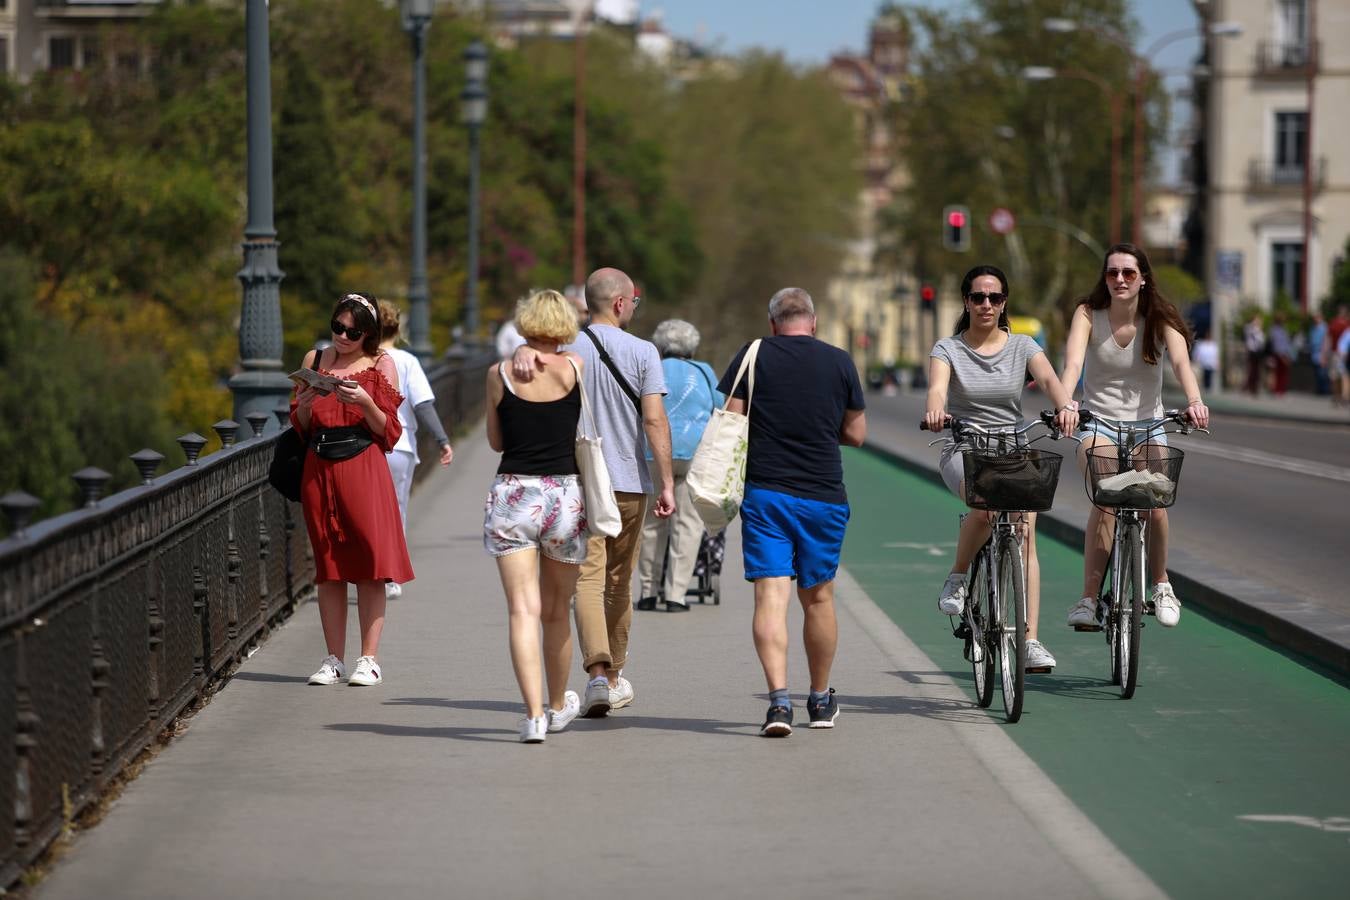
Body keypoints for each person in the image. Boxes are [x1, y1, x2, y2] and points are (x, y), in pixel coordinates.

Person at [511, 268, 675, 719]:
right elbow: (655, 421)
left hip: (576, 480)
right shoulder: (644, 352)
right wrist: (666, 480)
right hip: (627, 482)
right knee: (619, 581)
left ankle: (597, 676)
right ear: (621, 304)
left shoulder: (565, 351)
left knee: (587, 576)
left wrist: (526, 349)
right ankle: (614, 675)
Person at [719, 288, 866, 737]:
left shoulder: (753, 354)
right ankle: (819, 701)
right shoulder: (840, 361)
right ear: (814, 322)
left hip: (766, 494)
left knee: (770, 597)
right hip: (823, 494)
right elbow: (856, 433)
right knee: (819, 597)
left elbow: (731, 417)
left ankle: (779, 705)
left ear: (772, 323)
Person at [924, 266, 1079, 673]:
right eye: (978, 297)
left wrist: (1065, 407)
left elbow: (1048, 378)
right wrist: (937, 410)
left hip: (1013, 447)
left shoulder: (1023, 345)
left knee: (1026, 533)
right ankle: (958, 577)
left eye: (994, 298)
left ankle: (1029, 641)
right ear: (966, 302)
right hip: (963, 447)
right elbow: (938, 387)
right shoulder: (948, 349)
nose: (986, 305)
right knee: (987, 506)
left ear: (1004, 302)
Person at [1057, 243, 1210, 631]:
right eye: (1112, 273)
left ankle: (1161, 584)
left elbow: (1180, 362)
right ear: (1104, 279)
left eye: (1128, 273)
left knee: (1155, 502)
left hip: (1148, 425)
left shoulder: (1159, 317)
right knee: (1107, 497)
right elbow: (1073, 362)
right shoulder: (1089, 314)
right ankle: (1089, 598)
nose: (1120, 280)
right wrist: (1065, 402)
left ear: (1143, 278)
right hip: (1099, 424)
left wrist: (1195, 400)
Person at [293, 292, 414, 687]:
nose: (343, 336)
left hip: (363, 464)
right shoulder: (315, 360)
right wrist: (308, 403)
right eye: (338, 327)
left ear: (369, 333)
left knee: (369, 564)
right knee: (328, 567)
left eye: (354, 331)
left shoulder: (382, 364)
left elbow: (389, 431)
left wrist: (364, 401)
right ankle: (332, 659)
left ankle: (369, 658)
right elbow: (303, 425)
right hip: (319, 466)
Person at [484, 290, 589, 743]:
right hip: (563, 497)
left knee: (521, 610)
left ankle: (532, 717)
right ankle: (559, 701)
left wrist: (520, 355)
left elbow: (495, 441)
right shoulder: (576, 369)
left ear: (525, 324)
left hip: (513, 495)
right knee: (556, 612)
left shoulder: (499, 374)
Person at [636, 319, 724, 613]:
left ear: (660, 345)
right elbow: (720, 408)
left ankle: (648, 591)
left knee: (651, 523)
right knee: (687, 523)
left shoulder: (650, 368)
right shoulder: (704, 371)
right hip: (692, 454)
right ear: (692, 345)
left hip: (653, 453)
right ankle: (676, 594)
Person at [377, 301, 454, 598]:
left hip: (368, 444)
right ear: (398, 328)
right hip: (400, 444)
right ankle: (391, 576)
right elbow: (423, 405)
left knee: (368, 510)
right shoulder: (407, 361)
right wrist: (442, 440)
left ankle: (368, 570)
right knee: (396, 510)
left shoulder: (364, 359)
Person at [1326, 305, 1349, 406]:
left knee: (1335, 376)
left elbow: (1327, 339)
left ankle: (1337, 396)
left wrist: (1324, 353)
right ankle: (1344, 396)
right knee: (1344, 375)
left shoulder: (1333, 323)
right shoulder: (1347, 324)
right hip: (1344, 353)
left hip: (1335, 353)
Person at [1267, 312, 1293, 396]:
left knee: (1283, 373)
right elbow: (1276, 343)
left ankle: (1281, 390)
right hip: (1278, 354)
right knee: (1277, 372)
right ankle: (1277, 390)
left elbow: (1287, 342)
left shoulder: (1283, 329)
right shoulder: (1274, 330)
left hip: (1284, 353)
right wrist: (1282, 355)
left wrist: (1288, 354)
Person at [1242, 311, 1266, 396]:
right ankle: (1248, 387)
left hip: (1258, 351)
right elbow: (1250, 335)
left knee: (1256, 371)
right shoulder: (1250, 328)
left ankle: (1254, 388)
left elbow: (1262, 340)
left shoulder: (1258, 329)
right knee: (1251, 370)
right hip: (1252, 351)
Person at [1308, 312, 1330, 396]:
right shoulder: (1312, 327)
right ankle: (1319, 390)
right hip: (1314, 352)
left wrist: (1324, 355)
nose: (1315, 320)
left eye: (1317, 318)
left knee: (1323, 373)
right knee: (1317, 372)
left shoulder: (1324, 327)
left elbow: (1326, 341)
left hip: (1321, 352)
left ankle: (1325, 390)